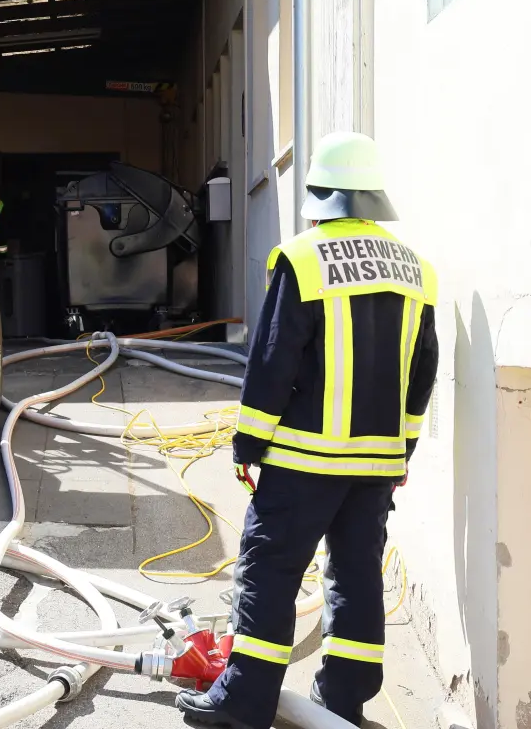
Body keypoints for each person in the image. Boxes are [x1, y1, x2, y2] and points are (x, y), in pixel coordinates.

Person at [175, 132, 439, 729]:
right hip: (375, 464)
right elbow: (422, 372)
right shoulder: (417, 271)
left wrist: (248, 444)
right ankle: (343, 701)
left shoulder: (301, 257)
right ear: (375, 198)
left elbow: (273, 360)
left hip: (303, 460)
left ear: (322, 195)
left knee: (269, 574)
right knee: (355, 575)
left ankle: (244, 701)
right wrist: (404, 451)